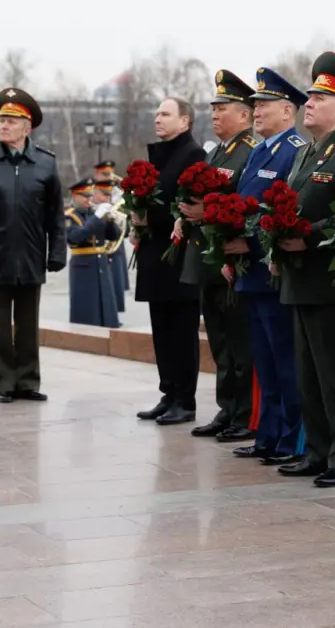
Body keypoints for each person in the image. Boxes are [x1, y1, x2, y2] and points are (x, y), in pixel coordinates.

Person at [274, 52, 335, 489]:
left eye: (319, 97)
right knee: (308, 375)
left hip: (332, 281)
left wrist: (307, 237)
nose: (308, 103)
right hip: (299, 279)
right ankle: (316, 451)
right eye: (309, 96)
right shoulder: (306, 154)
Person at [0, 87, 67, 404]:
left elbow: (55, 214)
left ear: (27, 128)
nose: (4, 125)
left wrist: (57, 252)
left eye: (11, 121)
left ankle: (28, 381)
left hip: (31, 257)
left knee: (28, 325)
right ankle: (5, 383)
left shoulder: (45, 163)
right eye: (2, 120)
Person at [227, 67, 308, 464]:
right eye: (255, 105)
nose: (256, 111)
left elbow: (286, 213)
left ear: (288, 111)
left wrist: (251, 243)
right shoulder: (261, 151)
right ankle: (270, 436)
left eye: (264, 105)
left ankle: (292, 440)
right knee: (266, 361)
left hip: (274, 272)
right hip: (252, 272)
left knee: (285, 361)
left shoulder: (294, 150)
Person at [185, 70, 259, 443]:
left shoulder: (250, 151)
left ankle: (244, 413)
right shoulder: (217, 152)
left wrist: (207, 213)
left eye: (223, 108)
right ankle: (227, 408)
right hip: (209, 260)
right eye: (213, 108)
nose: (215, 115)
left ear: (244, 114)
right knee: (219, 342)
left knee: (239, 342)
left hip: (232, 261)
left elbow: (244, 204)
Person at [134, 97, 206, 425]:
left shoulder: (193, 156)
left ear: (185, 121)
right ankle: (169, 393)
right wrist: (136, 218)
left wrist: (149, 216)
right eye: (157, 113)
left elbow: (185, 208)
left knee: (181, 331)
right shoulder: (159, 155)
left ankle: (184, 399)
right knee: (161, 329)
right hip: (155, 256)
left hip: (178, 259)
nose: (158, 119)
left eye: (165, 114)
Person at [65, 178, 121, 328]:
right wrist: (97, 218)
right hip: (83, 266)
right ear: (75, 196)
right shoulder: (69, 216)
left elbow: (113, 236)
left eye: (90, 195)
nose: (88, 199)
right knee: (87, 309)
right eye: (84, 196)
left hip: (101, 263)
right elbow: (75, 237)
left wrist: (110, 220)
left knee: (106, 306)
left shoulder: (95, 213)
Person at [91, 178, 127, 314]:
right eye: (104, 194)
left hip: (112, 251)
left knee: (113, 285)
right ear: (96, 193)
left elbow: (122, 232)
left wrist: (112, 220)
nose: (108, 197)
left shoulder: (113, 208)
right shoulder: (89, 210)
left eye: (109, 195)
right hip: (93, 254)